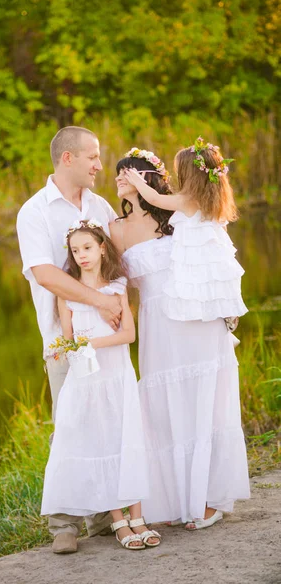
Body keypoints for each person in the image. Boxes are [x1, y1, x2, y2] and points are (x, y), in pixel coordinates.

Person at [110, 147, 250, 531]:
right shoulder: (115, 230)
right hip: (157, 325)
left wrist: (225, 303)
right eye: (117, 175)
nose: (120, 181)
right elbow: (113, 282)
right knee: (163, 410)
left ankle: (208, 499)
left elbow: (212, 255)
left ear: (146, 178)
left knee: (205, 401)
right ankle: (174, 499)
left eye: (127, 174)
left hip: (195, 319)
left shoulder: (176, 215)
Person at [16, 126, 120, 554]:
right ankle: (64, 522)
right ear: (68, 159)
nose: (99, 164)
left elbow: (122, 259)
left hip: (110, 340)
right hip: (64, 339)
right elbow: (46, 274)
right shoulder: (34, 211)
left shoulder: (100, 205)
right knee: (70, 423)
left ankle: (104, 515)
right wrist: (97, 299)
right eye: (93, 156)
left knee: (110, 422)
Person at [41, 220, 161, 550]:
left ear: (102, 248)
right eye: (75, 250)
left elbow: (128, 335)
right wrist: (62, 350)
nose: (81, 255)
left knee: (127, 443)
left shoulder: (117, 287)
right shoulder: (67, 295)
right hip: (87, 383)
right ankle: (120, 522)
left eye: (88, 248)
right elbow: (68, 339)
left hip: (117, 376)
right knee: (102, 445)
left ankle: (138, 517)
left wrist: (91, 344)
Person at [122, 138, 248, 324]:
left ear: (190, 176)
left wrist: (138, 181)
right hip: (214, 262)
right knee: (214, 289)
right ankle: (225, 315)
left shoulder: (186, 200)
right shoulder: (214, 202)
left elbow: (155, 199)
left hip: (196, 259)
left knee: (192, 288)